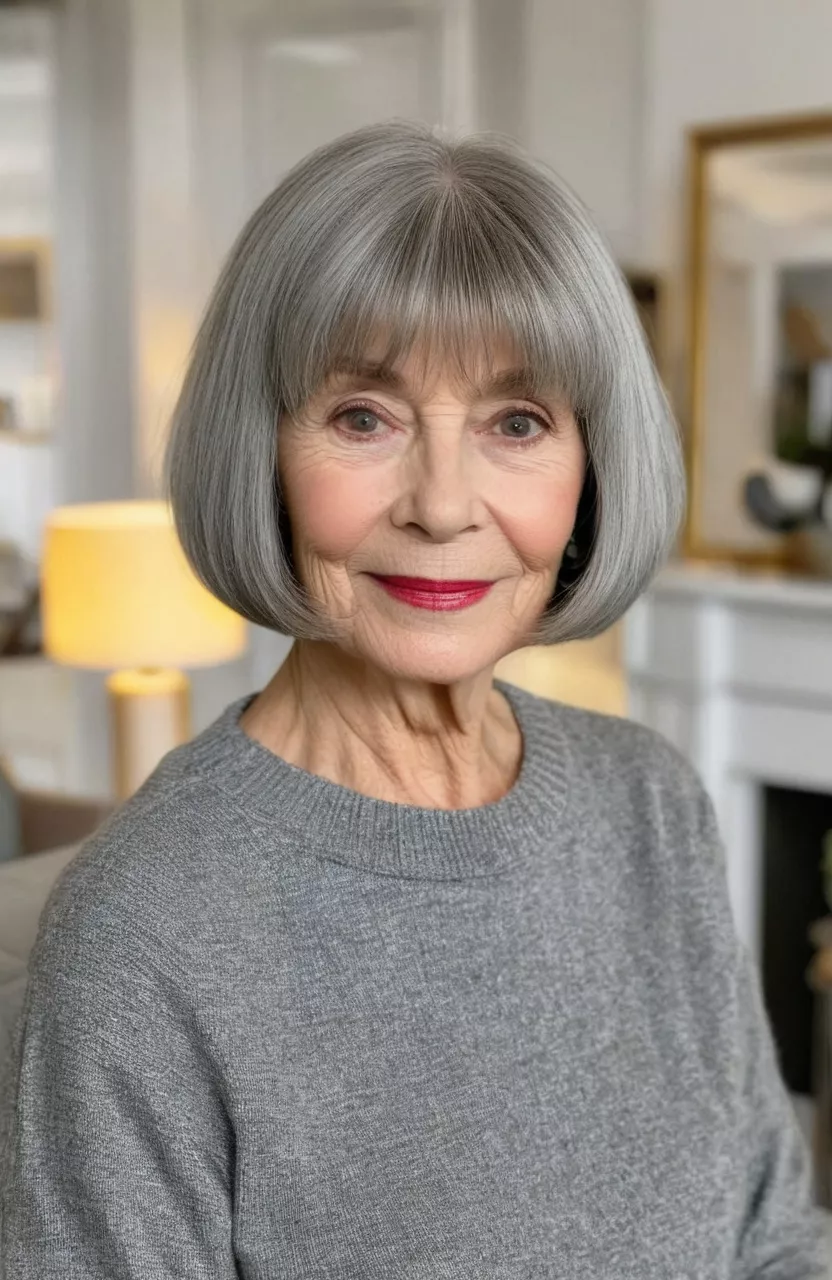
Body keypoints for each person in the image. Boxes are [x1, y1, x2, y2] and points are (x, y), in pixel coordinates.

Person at [1, 119, 827, 1278]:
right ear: (265, 450)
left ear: (591, 469)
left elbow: (775, 1235)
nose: (443, 504)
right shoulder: (145, 931)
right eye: (362, 418)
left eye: (517, 422)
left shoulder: (651, 802)